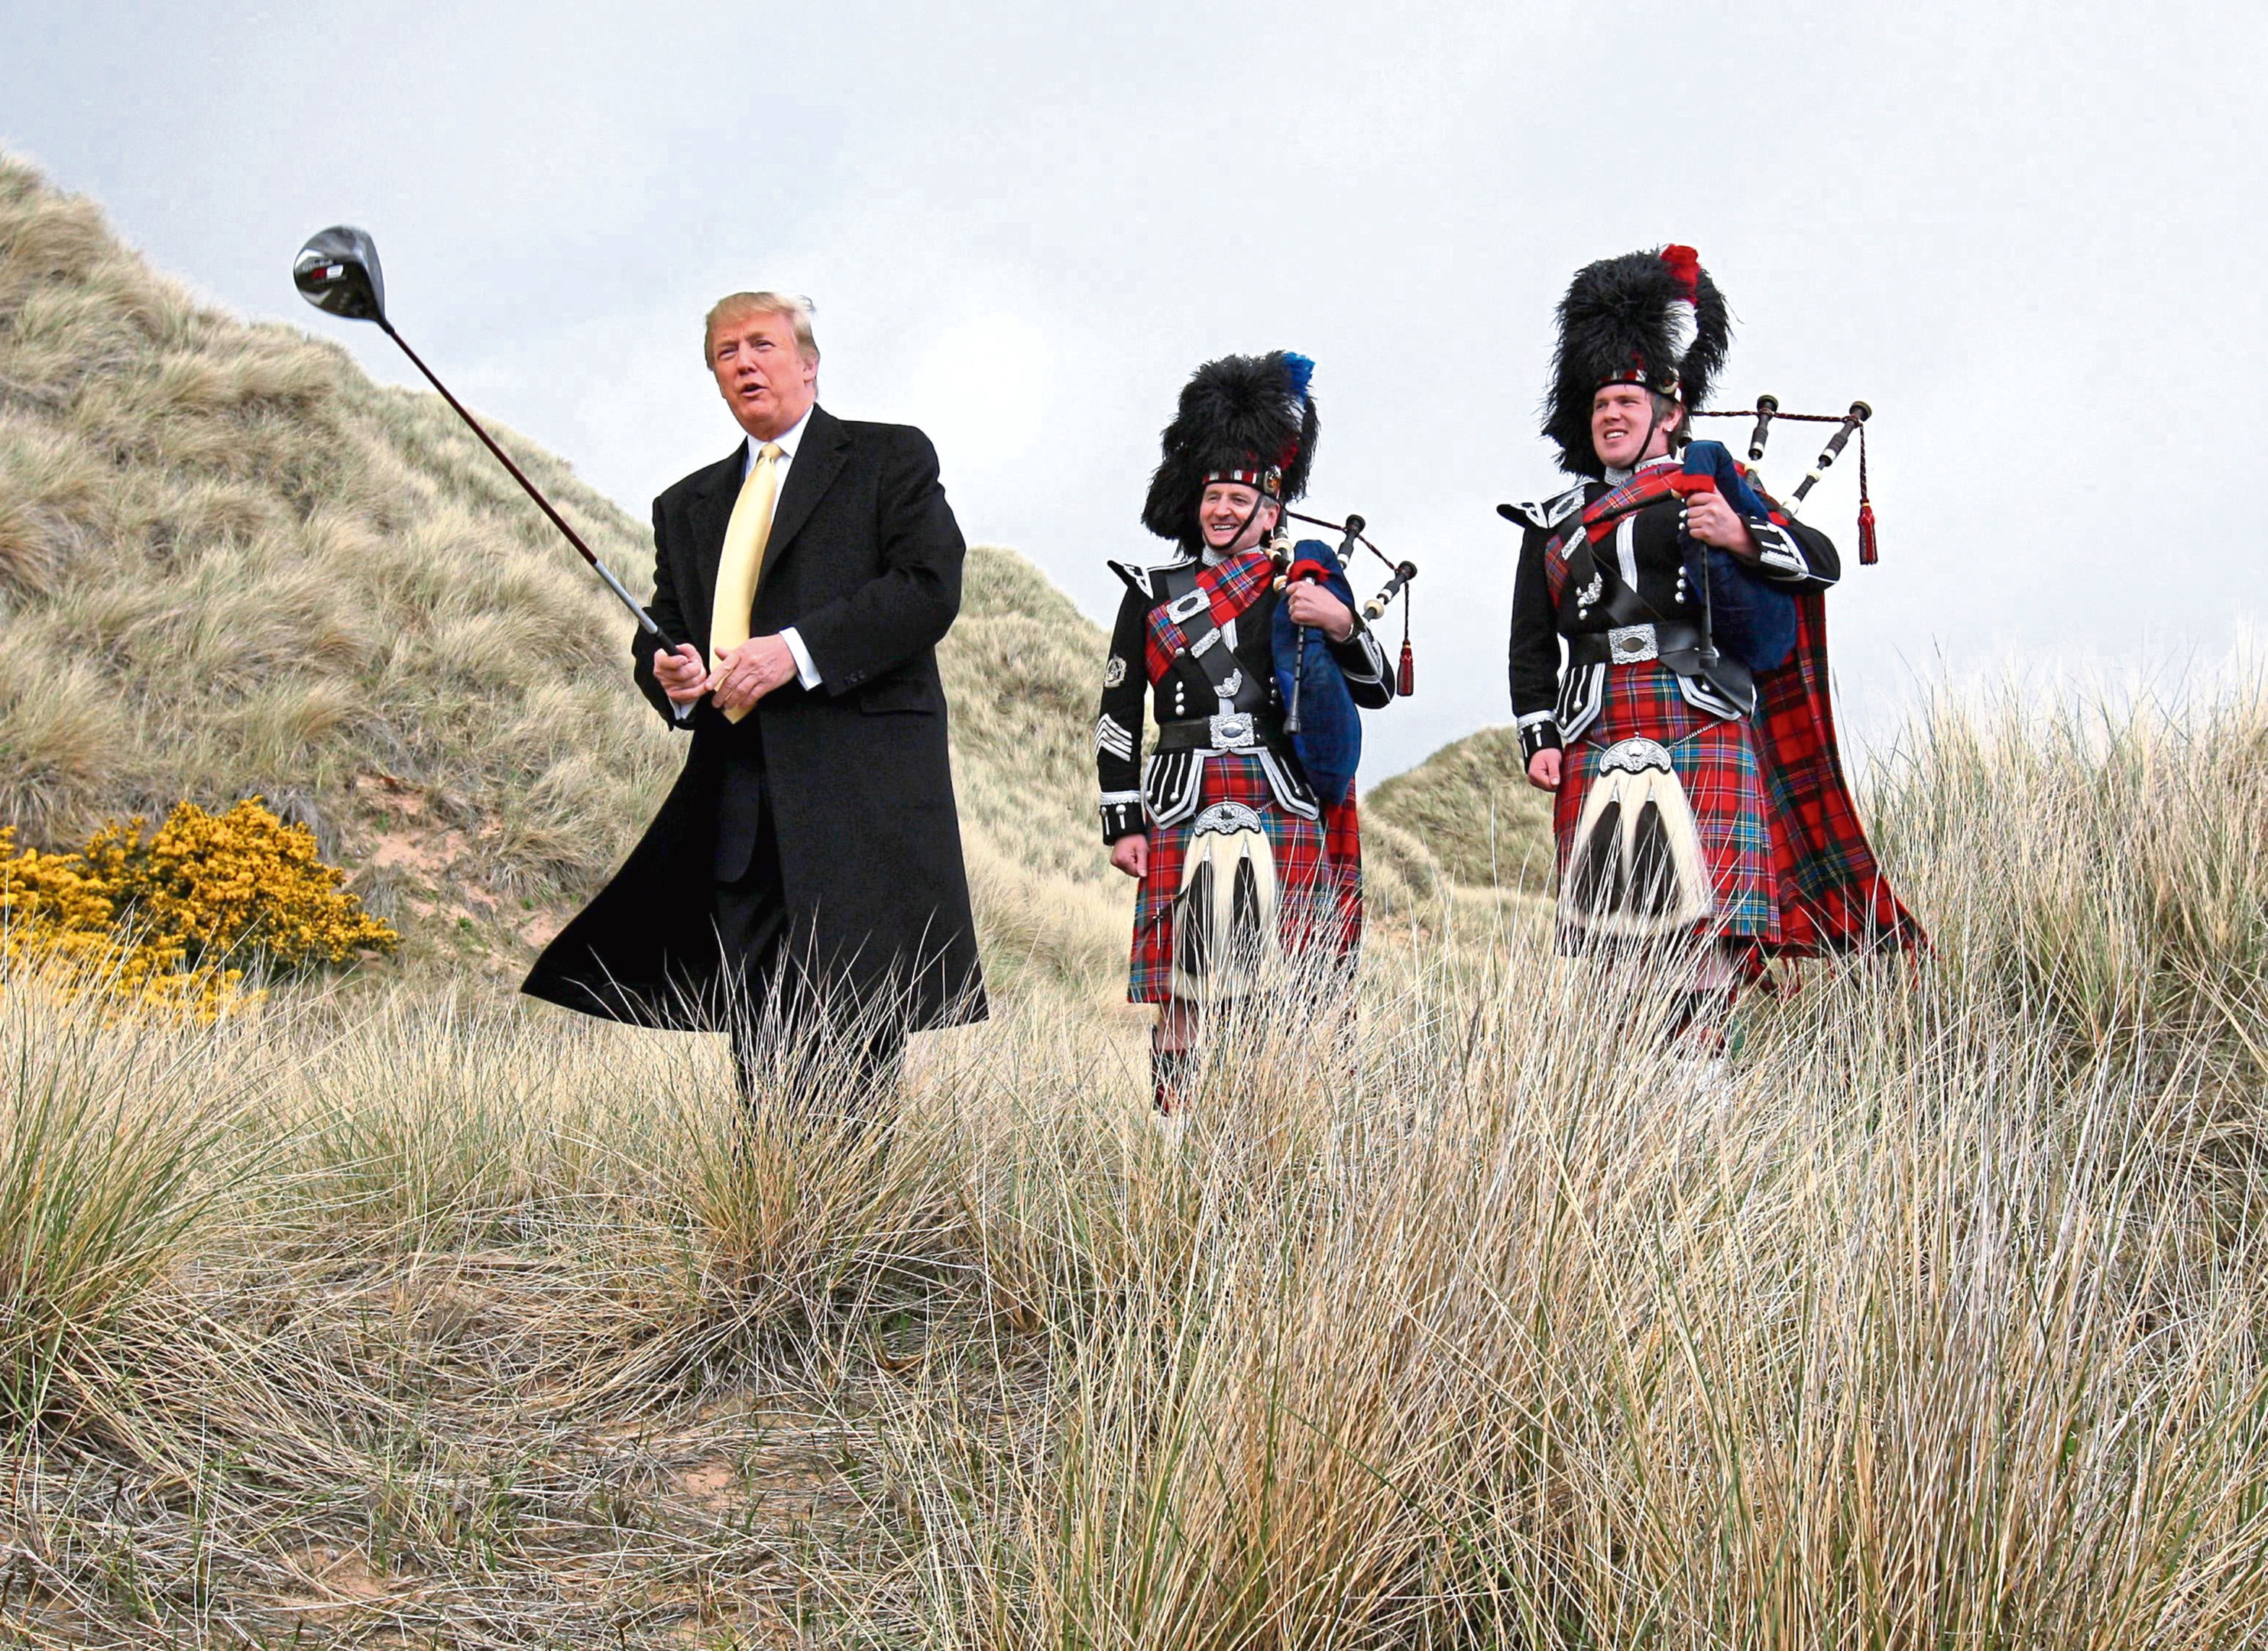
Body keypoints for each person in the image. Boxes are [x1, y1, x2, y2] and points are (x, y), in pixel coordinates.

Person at [523, 291, 985, 1107]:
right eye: (724, 353)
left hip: (857, 797)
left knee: (851, 1020)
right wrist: (668, 673)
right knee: (760, 1027)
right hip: (740, 795)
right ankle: (771, 1208)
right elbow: (665, 626)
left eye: (761, 344)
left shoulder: (889, 459)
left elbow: (926, 590)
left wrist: (795, 652)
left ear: (807, 363)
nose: (743, 362)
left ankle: (854, 1213)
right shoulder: (686, 505)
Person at [1503, 246, 1920, 1046]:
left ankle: (1700, 1081)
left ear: (1670, 411)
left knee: (1702, 917)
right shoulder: (1550, 518)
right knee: (1617, 931)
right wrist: (1538, 733)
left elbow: (1820, 562)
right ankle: (1633, 1090)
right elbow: (1530, 643)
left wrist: (1738, 534)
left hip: (1694, 707)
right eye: (1599, 406)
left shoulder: (1711, 479)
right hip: (1593, 721)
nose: (1611, 416)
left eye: (1627, 401)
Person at [1096, 352, 1396, 1114]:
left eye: (1238, 498)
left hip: (1276, 792)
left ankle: (1273, 1142)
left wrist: (1342, 621)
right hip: (1179, 796)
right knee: (1181, 994)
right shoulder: (1152, 593)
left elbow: (1376, 688)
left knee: (1285, 989)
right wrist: (1121, 820)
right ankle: (1174, 1143)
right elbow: (1118, 714)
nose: (1221, 511)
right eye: (1213, 497)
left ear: (1271, 510)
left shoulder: (1302, 584)